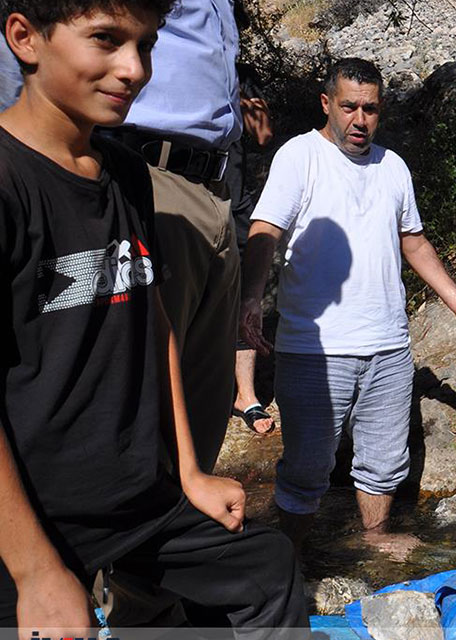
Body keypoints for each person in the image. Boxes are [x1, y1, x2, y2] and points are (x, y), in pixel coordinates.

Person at [0, 0, 306, 634]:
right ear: (25, 38)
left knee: (268, 568)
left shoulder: (126, 176)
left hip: (134, 505)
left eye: (145, 45)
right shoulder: (9, 185)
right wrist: (34, 570)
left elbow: (157, 317)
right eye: (106, 40)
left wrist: (189, 472)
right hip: (26, 520)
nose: (133, 68)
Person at [239, 58, 456, 556]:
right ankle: (288, 562)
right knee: (308, 466)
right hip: (317, 350)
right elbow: (265, 229)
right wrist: (252, 296)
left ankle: (373, 544)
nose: (360, 119)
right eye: (349, 107)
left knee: (382, 463)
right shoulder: (300, 156)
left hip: (389, 348)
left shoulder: (392, 166)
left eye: (371, 109)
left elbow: (414, 242)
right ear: (327, 104)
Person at [106, 0, 243, 472]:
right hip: (151, 174)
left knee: (207, 381)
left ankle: (186, 521)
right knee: (149, 375)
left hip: (216, 187)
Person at [229, 63, 275, 435]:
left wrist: (238, 99)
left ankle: (245, 394)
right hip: (180, 191)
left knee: (245, 291)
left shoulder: (239, 74)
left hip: (234, 199)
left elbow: (263, 135)